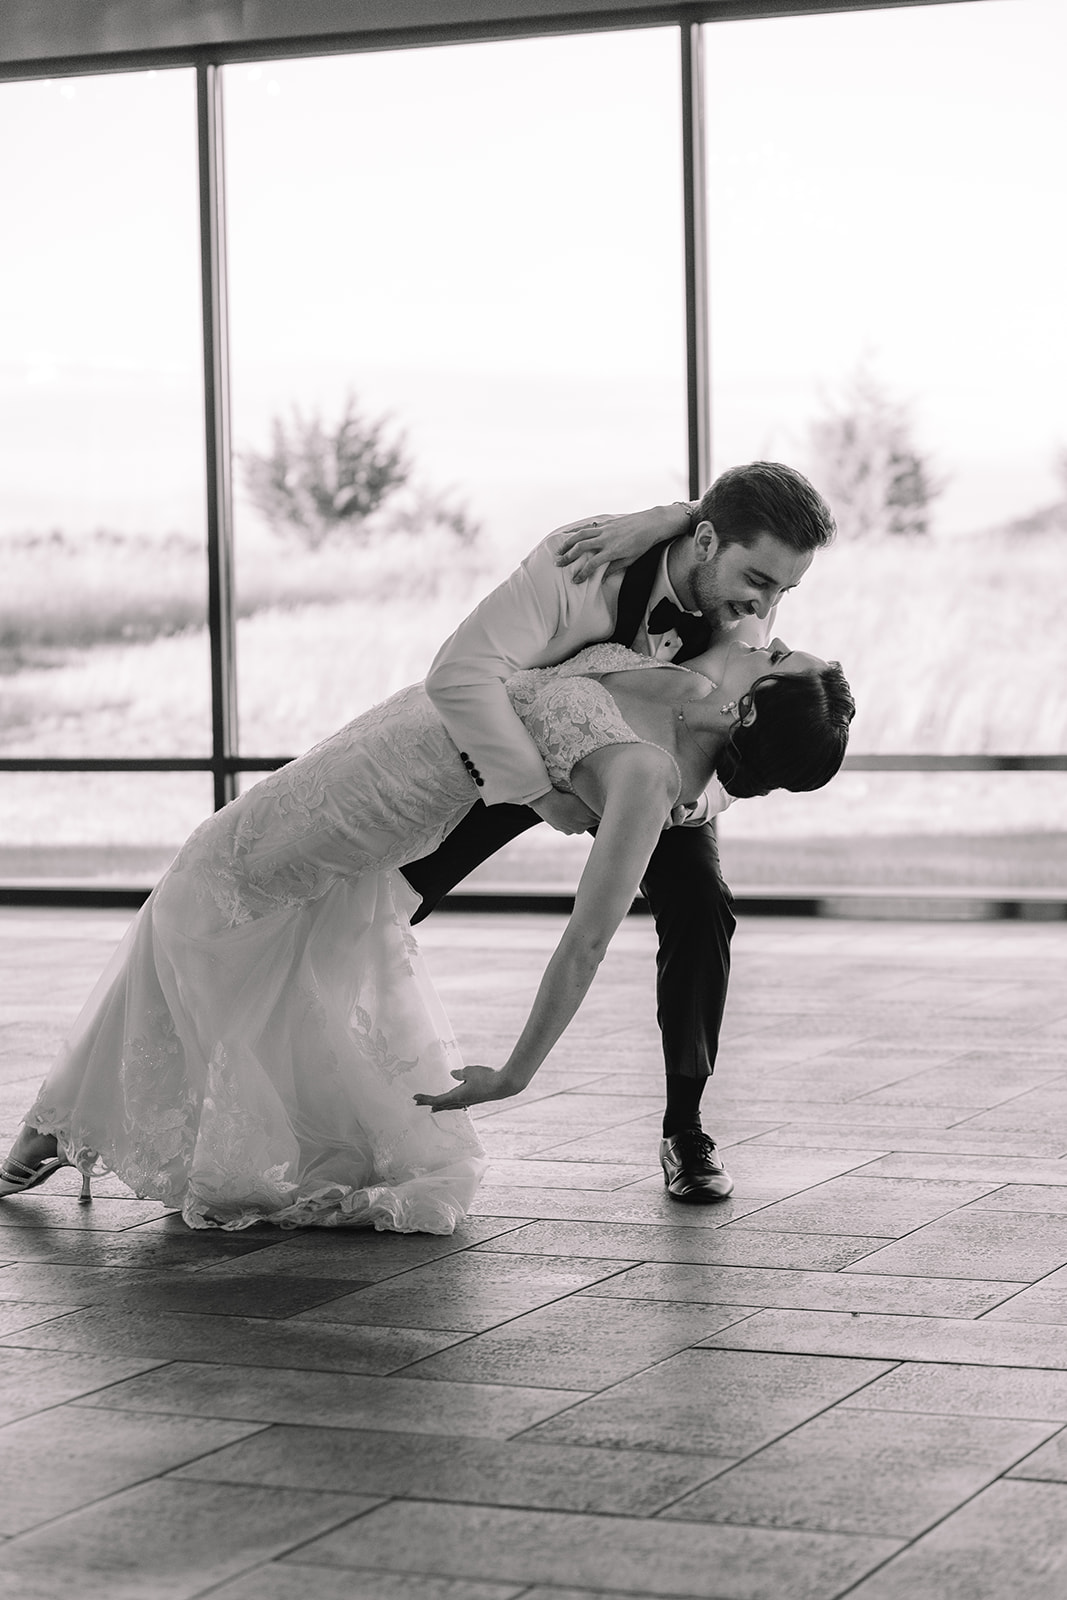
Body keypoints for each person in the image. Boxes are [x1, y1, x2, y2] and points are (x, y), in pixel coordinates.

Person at [0, 619, 852, 1233]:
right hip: (389, 736)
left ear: (745, 714)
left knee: (199, 893)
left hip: (385, 798)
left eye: (776, 656)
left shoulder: (646, 781)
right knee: (245, 924)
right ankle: (77, 1121)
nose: (765, 636)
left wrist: (516, 1073)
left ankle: (65, 1121)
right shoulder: (691, 672)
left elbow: (587, 938)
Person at [402, 460, 838, 1202]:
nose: (763, 609)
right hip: (533, 742)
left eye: (780, 592)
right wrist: (539, 794)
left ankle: (685, 1126)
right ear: (703, 540)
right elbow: (466, 675)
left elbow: (735, 758)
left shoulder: (744, 615)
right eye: (760, 582)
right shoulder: (582, 567)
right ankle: (353, 965)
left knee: (701, 903)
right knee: (407, 880)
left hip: (660, 770)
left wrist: (681, 805)